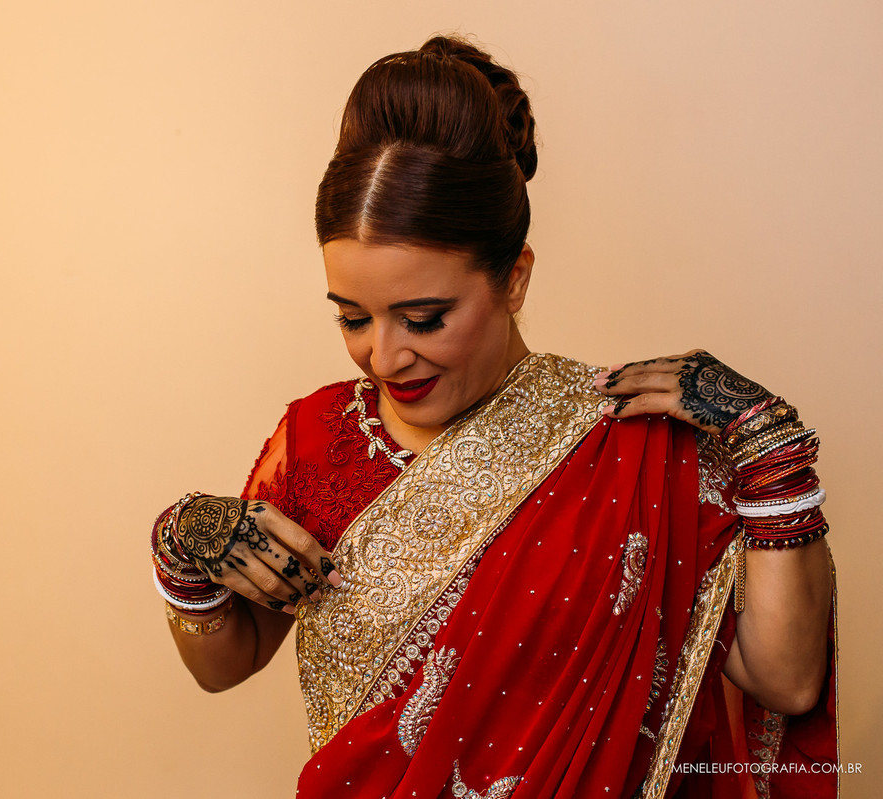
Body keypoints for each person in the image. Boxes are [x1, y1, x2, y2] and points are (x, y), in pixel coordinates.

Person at [150, 35, 837, 798]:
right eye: (352, 318)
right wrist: (183, 557)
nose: (383, 356)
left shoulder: (632, 445)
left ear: (515, 278)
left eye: (423, 317)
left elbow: (788, 678)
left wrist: (771, 451)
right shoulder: (318, 441)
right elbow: (226, 662)